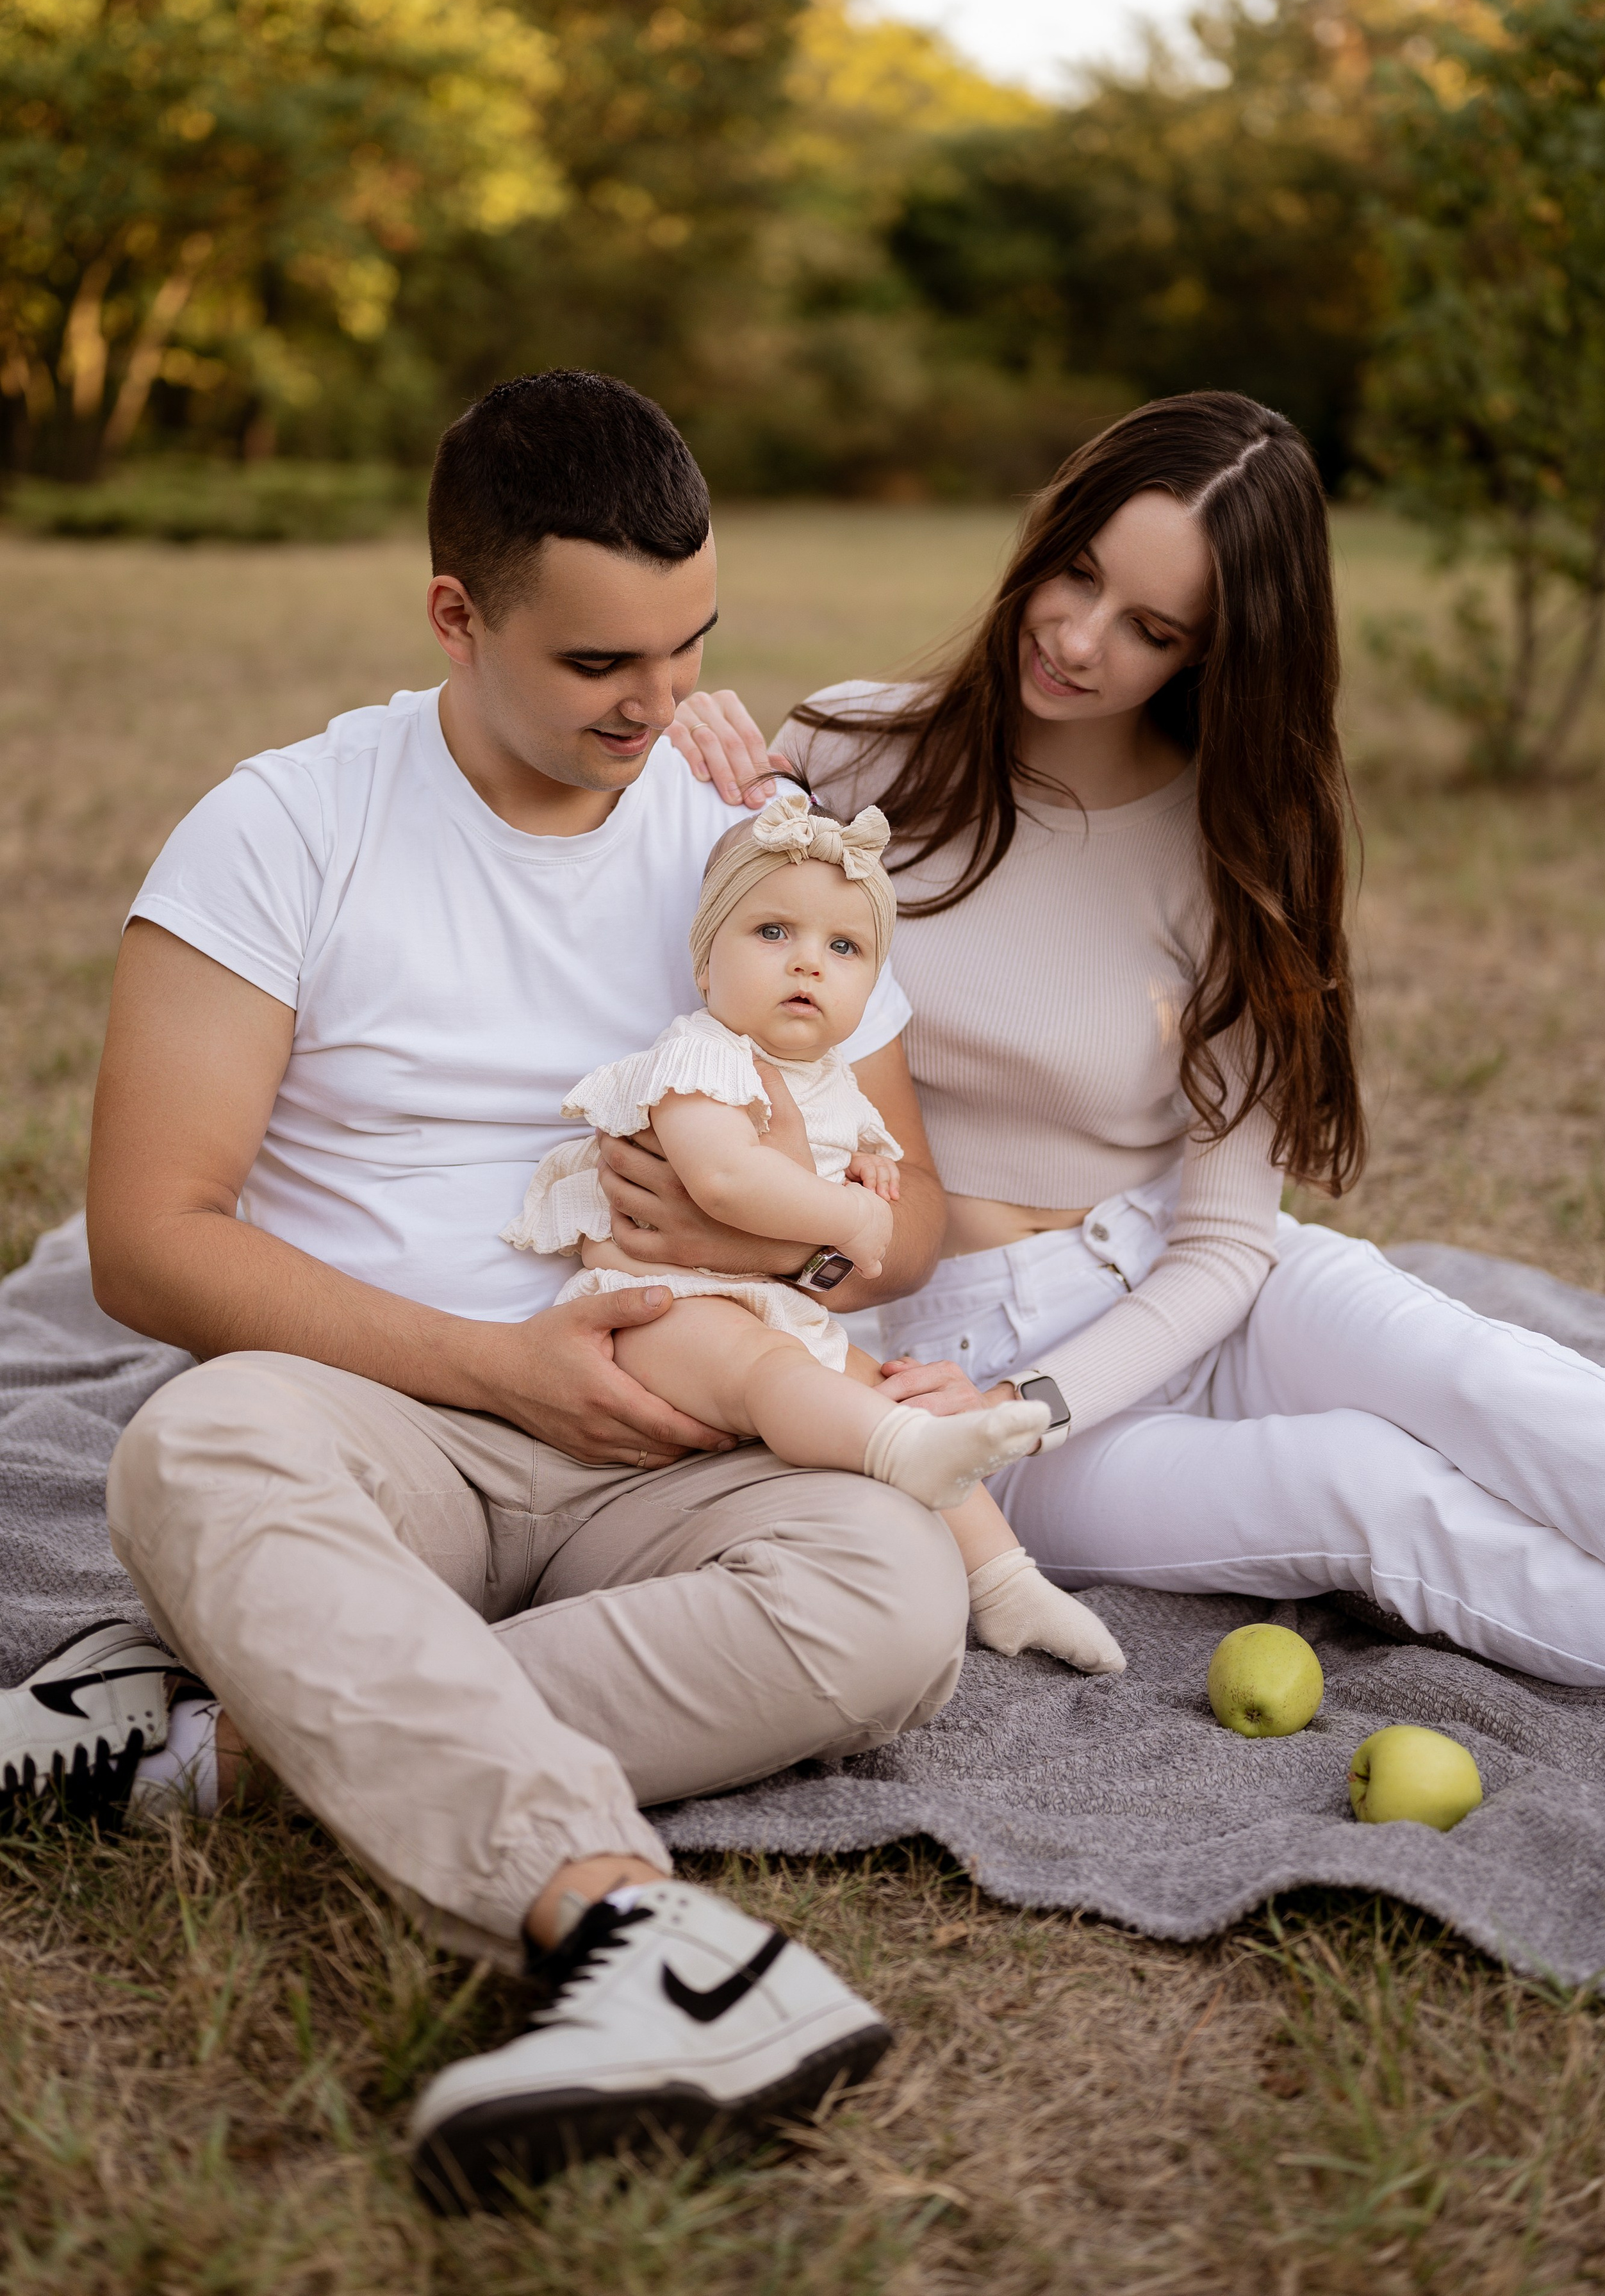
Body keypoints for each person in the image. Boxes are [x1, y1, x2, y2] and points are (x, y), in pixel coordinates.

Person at [51, 370, 976, 2208]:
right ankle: (636, 1936)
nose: (656, 704)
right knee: (199, 1448)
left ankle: (231, 1737)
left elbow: (909, 1210)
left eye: (689, 644)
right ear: (456, 617)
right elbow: (153, 1235)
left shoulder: (741, 832)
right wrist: (495, 1366)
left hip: (691, 1424)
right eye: (598, 665)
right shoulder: (283, 827)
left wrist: (793, 1253)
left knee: (895, 1601)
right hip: (390, 1412)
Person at [666, 389, 1605, 1689]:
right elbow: (677, 962)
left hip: (1188, 1287)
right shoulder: (849, 752)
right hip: (962, 1369)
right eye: (1073, 574)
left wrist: (1061, 1387)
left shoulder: (1232, 844)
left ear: (1214, 652)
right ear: (1043, 533)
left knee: (1489, 1379)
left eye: (1150, 628)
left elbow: (1228, 1240)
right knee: (1363, 1489)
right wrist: (667, 767)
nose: (1074, 638)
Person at [502, 783, 1123, 1670]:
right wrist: (850, 1212)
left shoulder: (830, 1080)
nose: (808, 965)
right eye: (773, 934)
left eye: (843, 947)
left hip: (761, 1306)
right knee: (771, 1373)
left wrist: (868, 1172)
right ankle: (897, 1456)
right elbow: (723, 1176)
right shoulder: (699, 1055)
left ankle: (1007, 1583)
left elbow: (878, 1167)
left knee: (885, 1384)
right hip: (659, 1311)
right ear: (707, 962)